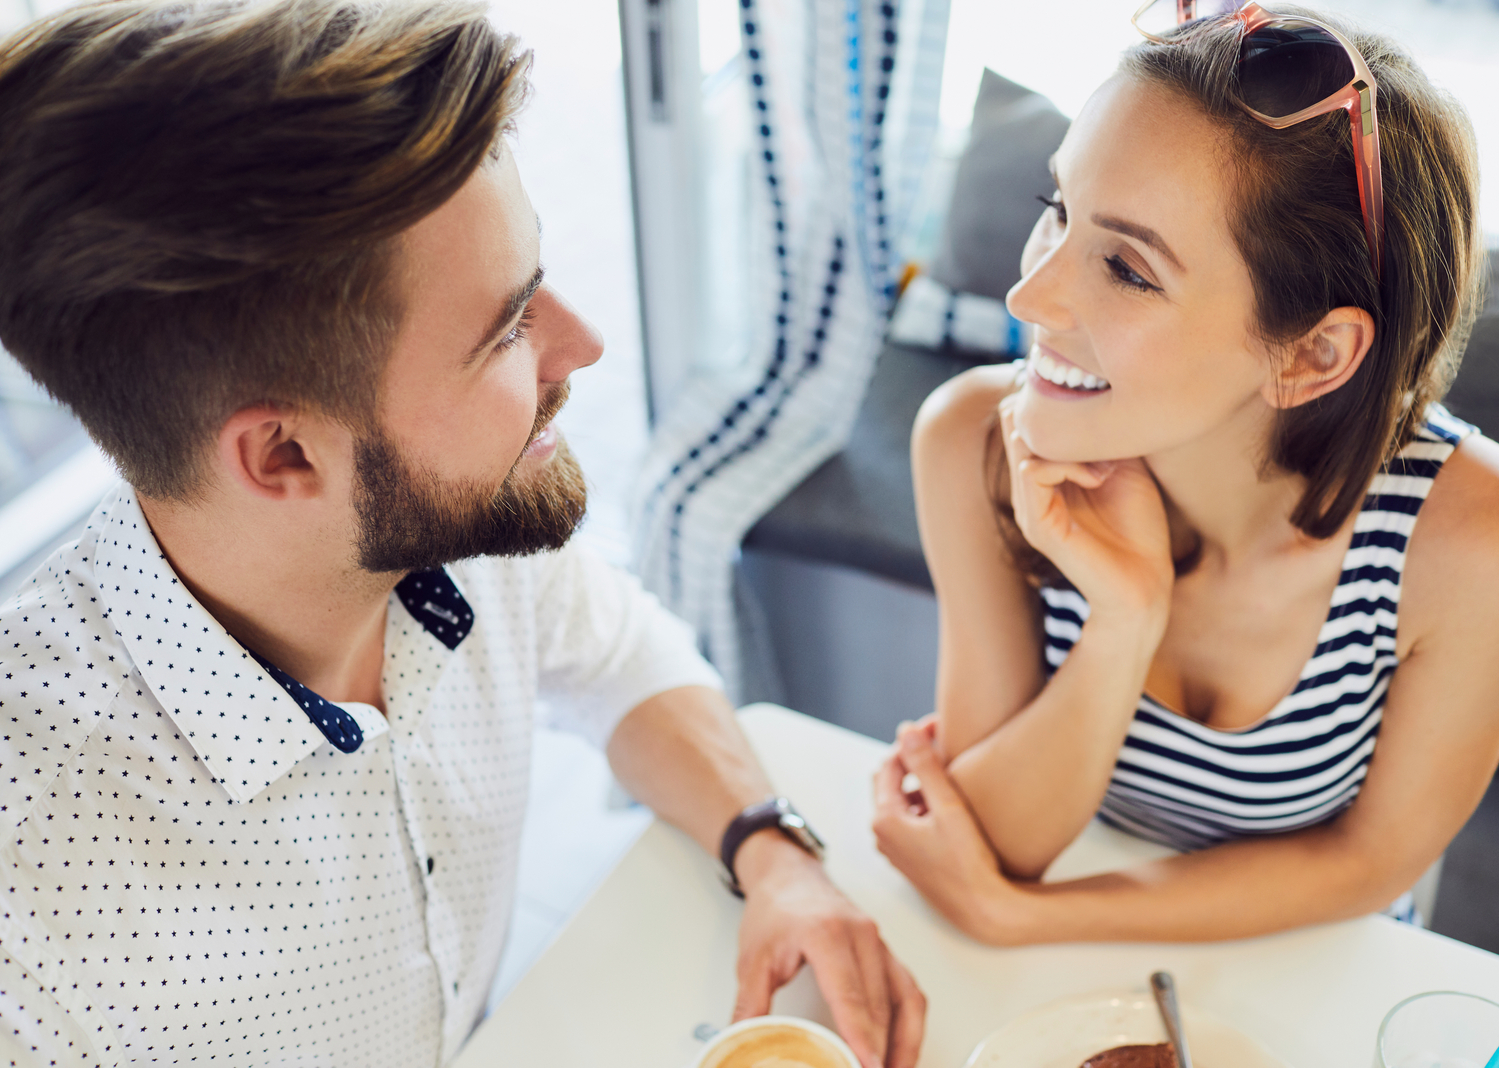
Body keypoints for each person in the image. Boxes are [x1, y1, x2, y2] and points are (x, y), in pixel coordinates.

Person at [0, 1, 924, 1065]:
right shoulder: (32, 920)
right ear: (284, 457)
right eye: (506, 330)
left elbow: (618, 652)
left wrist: (771, 849)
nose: (581, 344)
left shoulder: (455, 528)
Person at [871, 3, 1499, 945]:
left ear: (1313, 353)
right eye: (1058, 212)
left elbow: (1370, 864)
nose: (1026, 294)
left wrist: (1029, 918)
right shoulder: (976, 441)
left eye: (1126, 268)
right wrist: (1123, 620)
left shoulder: (1496, 542)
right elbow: (993, 843)